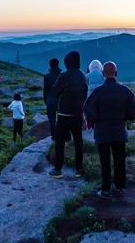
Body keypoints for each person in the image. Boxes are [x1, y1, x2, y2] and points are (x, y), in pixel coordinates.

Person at [83, 61, 135, 198]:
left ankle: (105, 189)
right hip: (119, 131)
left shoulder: (98, 92)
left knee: (105, 162)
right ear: (116, 73)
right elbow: (132, 114)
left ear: (103, 74)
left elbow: (87, 109)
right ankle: (119, 187)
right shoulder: (125, 91)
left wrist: (95, 120)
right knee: (120, 160)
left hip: (102, 132)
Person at [49, 51, 87, 179]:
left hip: (63, 114)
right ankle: (79, 170)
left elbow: (54, 93)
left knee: (60, 142)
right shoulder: (83, 76)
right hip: (77, 114)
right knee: (78, 142)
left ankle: (58, 169)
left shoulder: (63, 76)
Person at [43, 58, 62, 141]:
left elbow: (45, 90)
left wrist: (46, 100)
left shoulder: (47, 76)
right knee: (62, 118)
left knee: (52, 120)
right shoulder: (61, 75)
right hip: (61, 100)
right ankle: (64, 134)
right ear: (58, 64)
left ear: (50, 65)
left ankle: (54, 136)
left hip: (50, 100)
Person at [86, 60, 105, 130]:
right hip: (101, 98)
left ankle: (90, 127)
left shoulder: (87, 76)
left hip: (89, 97)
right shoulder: (102, 76)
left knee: (90, 113)